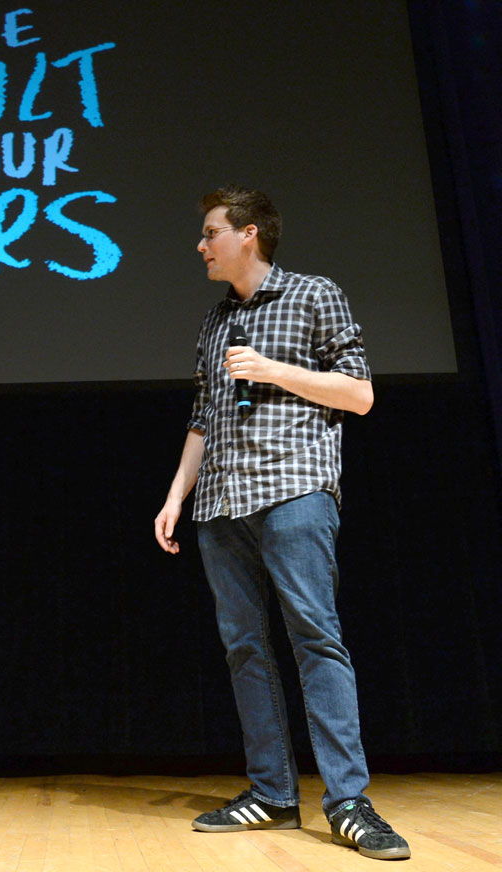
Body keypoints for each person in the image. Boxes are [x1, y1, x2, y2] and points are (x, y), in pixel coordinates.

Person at [153, 187, 409, 861]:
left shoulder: (314, 294)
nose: (201, 245)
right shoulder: (213, 322)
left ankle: (349, 800)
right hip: (219, 506)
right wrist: (177, 494)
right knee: (245, 649)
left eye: (211, 232)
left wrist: (271, 370)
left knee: (315, 640)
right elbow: (202, 417)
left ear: (249, 235)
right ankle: (271, 791)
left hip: (295, 491)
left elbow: (360, 394)